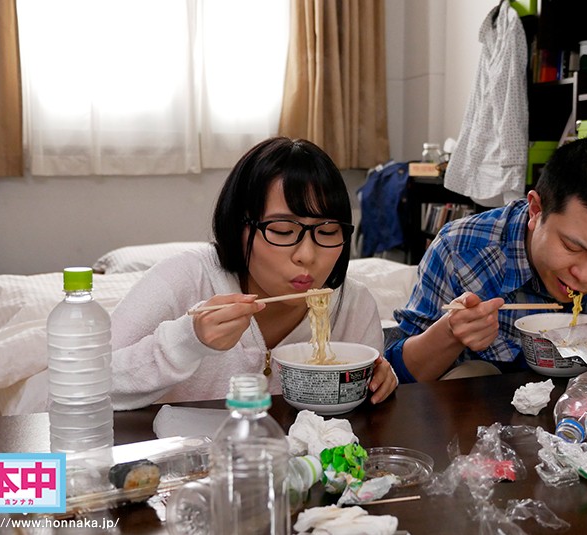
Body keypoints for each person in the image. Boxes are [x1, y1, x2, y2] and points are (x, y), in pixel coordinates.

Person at [111, 137, 397, 409]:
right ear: (238, 228)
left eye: (327, 231)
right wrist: (188, 341)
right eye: (282, 231)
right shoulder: (184, 279)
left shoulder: (354, 305)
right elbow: (88, 383)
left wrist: (379, 383)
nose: (307, 255)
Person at [386, 136, 587, 383]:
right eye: (572, 246)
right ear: (536, 210)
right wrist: (450, 333)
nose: (586, 275)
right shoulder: (461, 251)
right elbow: (396, 377)